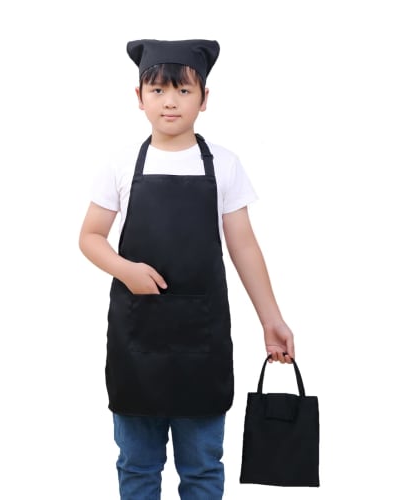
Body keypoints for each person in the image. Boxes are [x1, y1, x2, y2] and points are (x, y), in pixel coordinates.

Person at [79, 38, 295, 500]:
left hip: (202, 342)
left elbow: (244, 246)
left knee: (201, 468)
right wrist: (125, 270)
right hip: (136, 341)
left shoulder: (225, 164)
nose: (170, 101)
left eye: (183, 90)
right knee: (137, 466)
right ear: (139, 98)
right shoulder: (120, 163)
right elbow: (91, 236)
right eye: (157, 90)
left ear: (204, 99)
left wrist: (271, 319)